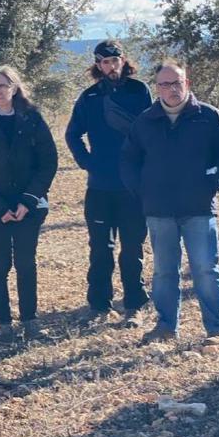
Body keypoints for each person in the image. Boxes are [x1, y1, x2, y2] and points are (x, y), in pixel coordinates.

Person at [121, 60, 219, 343]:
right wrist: (142, 190)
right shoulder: (145, 121)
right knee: (164, 271)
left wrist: (216, 182)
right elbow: (128, 160)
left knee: (205, 269)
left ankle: (217, 328)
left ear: (187, 84)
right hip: (159, 210)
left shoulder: (209, 117)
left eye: (177, 83)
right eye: (165, 84)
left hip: (198, 208)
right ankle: (166, 326)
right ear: (157, 88)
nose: (171, 89)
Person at [0, 66, 58, 342]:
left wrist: (29, 200)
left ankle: (30, 320)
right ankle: (4, 323)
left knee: (26, 263)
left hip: (29, 206)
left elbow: (48, 162)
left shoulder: (32, 119)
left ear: (15, 87)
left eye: (3, 85)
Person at [65, 39, 152, 327]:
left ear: (123, 61)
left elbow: (151, 130)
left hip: (133, 187)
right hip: (100, 187)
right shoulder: (89, 97)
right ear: (98, 65)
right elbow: (72, 135)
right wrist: (87, 162)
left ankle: (135, 306)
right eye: (105, 62)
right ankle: (99, 306)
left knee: (132, 250)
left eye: (115, 61)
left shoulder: (140, 91)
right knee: (100, 250)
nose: (111, 66)